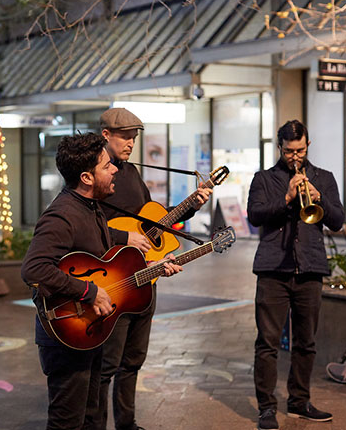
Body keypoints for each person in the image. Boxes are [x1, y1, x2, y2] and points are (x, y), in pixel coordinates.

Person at [21, 133, 183, 430]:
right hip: (67, 334)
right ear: (86, 177)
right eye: (107, 166)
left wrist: (153, 266)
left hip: (91, 332)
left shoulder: (92, 208)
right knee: (66, 422)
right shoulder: (62, 216)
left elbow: (104, 267)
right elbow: (34, 269)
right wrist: (88, 291)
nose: (115, 171)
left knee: (92, 418)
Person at [96, 107, 212, 430]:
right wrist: (124, 237)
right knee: (107, 364)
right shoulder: (94, 175)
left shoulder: (132, 175)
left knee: (133, 359)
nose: (132, 143)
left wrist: (192, 206)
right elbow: (90, 227)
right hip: (115, 282)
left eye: (134, 137)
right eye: (125, 136)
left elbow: (152, 224)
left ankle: (126, 423)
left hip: (146, 278)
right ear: (106, 135)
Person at [247, 120, 344, 430]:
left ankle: (299, 401)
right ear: (280, 148)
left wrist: (321, 199)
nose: (295, 156)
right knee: (268, 342)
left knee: (306, 341)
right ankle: (266, 408)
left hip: (311, 267)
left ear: (308, 145)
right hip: (273, 269)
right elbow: (255, 216)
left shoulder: (324, 178)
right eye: (289, 151)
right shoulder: (263, 179)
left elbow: (338, 220)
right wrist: (287, 198)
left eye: (300, 150)